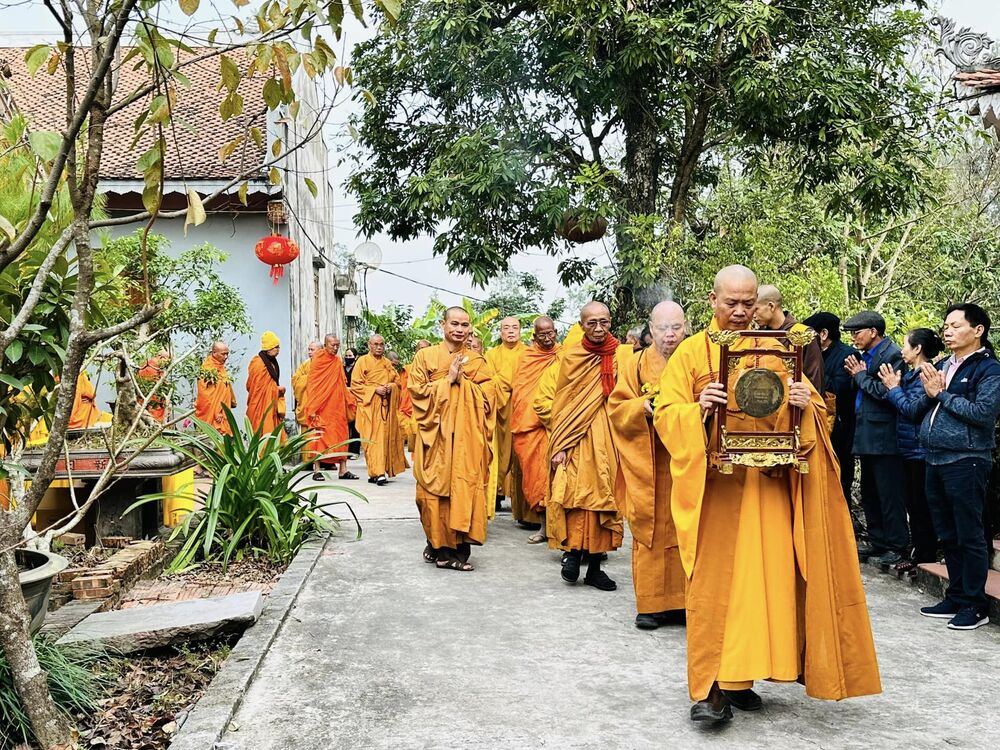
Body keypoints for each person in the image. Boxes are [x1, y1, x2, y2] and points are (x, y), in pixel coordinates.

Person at [654, 265, 880, 723]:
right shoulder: (693, 353)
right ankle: (711, 687)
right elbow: (665, 413)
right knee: (715, 591)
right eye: (731, 302)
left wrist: (805, 404)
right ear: (713, 300)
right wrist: (697, 409)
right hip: (717, 492)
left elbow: (812, 414)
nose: (740, 311)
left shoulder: (777, 351)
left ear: (758, 302)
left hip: (770, 488)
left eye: (748, 302)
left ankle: (742, 678)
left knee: (765, 587)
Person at [881, 304, 1000, 630]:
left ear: (978, 331)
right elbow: (919, 408)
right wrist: (905, 391)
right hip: (934, 457)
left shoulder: (988, 370)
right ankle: (957, 595)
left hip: (966, 459)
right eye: (945, 325)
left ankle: (976, 604)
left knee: (969, 534)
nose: (947, 331)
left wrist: (943, 395)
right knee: (947, 533)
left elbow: (983, 413)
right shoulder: (943, 364)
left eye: (955, 325)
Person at [609, 301, 687, 629]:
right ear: (650, 330)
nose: (670, 335)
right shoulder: (635, 363)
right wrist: (644, 406)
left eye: (676, 328)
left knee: (685, 528)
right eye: (663, 329)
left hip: (686, 459)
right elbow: (616, 407)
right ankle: (651, 604)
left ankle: (683, 601)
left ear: (686, 327)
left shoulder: (696, 358)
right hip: (649, 459)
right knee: (650, 528)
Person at [544, 302, 625, 591]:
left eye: (604, 322)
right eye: (592, 323)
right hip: (576, 438)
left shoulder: (622, 355)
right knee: (576, 495)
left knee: (605, 497)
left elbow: (627, 396)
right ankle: (573, 554)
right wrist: (560, 444)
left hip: (611, 437)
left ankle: (594, 568)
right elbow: (564, 403)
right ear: (581, 324)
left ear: (611, 321)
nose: (599, 328)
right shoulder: (571, 356)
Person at [408, 306, 496, 571]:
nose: (460, 330)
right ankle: (436, 543)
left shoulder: (477, 360)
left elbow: (490, 396)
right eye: (455, 324)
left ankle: (455, 551)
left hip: (467, 440)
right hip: (435, 436)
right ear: (443, 325)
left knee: (463, 488)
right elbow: (416, 392)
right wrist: (447, 381)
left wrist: (464, 384)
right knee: (431, 493)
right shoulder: (425, 357)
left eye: (465, 325)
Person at [842, 311, 909, 566]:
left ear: (873, 332)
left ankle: (897, 545)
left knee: (889, 493)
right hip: (865, 433)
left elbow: (885, 393)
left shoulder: (891, 355)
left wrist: (860, 376)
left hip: (884, 435)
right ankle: (878, 541)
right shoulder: (863, 357)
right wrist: (856, 376)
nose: (854, 337)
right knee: (870, 491)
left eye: (857, 332)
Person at [877, 328, 944, 572]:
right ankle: (919, 552)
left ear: (917, 349)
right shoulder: (909, 375)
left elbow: (913, 410)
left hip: (919, 451)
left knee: (921, 506)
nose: (902, 349)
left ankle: (924, 555)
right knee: (913, 505)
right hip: (907, 449)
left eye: (906, 344)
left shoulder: (926, 375)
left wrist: (893, 388)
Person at [509, 316, 562, 544]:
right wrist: (533, 417)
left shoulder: (565, 355)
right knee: (536, 478)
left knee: (559, 478)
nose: (548, 338)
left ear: (556, 332)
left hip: (557, 424)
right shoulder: (527, 358)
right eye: (542, 335)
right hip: (531, 428)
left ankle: (560, 528)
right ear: (534, 337)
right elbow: (520, 393)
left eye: (550, 333)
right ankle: (543, 527)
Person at [803, 312, 858, 501]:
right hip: (814, 423)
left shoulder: (847, 355)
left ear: (823, 334)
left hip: (839, 427)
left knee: (840, 478)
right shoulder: (812, 354)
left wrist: (813, 373)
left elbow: (839, 388)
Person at [488, 316, 534, 523]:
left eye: (515, 327)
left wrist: (507, 383)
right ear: (500, 332)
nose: (511, 331)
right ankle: (496, 493)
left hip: (523, 410)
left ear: (520, 330)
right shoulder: (491, 355)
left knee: (523, 456)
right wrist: (505, 383)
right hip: (499, 413)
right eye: (506, 328)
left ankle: (525, 509)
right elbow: (488, 382)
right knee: (499, 453)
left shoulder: (529, 353)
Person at [351, 335, 408, 485]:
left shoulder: (387, 363)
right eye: (375, 344)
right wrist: (374, 389)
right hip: (368, 408)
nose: (379, 347)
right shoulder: (362, 362)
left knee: (381, 440)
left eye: (381, 344)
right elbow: (355, 385)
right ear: (369, 345)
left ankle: (380, 473)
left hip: (384, 409)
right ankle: (374, 472)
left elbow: (398, 384)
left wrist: (391, 388)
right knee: (370, 441)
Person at [304, 334, 359, 480]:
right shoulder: (318, 360)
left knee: (341, 436)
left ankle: (343, 469)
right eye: (332, 345)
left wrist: (348, 398)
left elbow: (342, 382)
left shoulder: (337, 361)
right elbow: (313, 384)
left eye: (337, 345)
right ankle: (317, 470)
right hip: (321, 406)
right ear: (325, 344)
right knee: (319, 436)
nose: (335, 348)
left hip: (337, 406)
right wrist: (313, 407)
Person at [753, 285, 824, 392]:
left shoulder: (803, 335)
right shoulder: (758, 336)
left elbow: (815, 382)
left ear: (771, 306)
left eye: (756, 309)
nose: (753, 316)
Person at [246, 331, 287, 440]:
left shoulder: (272, 362)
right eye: (276, 347)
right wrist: (277, 389)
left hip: (270, 403)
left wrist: (275, 390)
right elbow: (253, 387)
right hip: (260, 404)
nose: (278, 350)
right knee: (262, 434)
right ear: (269, 348)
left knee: (272, 434)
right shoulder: (258, 363)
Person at [195, 341, 237, 434]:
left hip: (223, 411)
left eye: (227, 354)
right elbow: (206, 395)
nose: (226, 357)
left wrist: (230, 401)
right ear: (214, 353)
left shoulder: (220, 367)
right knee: (215, 438)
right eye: (223, 354)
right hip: (215, 415)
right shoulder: (208, 369)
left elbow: (225, 387)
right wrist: (217, 411)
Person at [399, 341, 431, 454]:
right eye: (420, 349)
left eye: (426, 349)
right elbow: (402, 391)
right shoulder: (408, 369)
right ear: (416, 351)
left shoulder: (436, 369)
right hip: (411, 410)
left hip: (430, 411)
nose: (422, 352)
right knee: (417, 446)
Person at [292, 341, 320, 433]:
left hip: (321, 409)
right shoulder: (305, 364)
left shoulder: (326, 365)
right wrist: (309, 378)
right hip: (306, 407)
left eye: (312, 350)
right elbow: (296, 381)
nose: (309, 352)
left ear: (320, 351)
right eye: (309, 349)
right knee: (306, 441)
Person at [136, 349, 170, 422]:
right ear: (161, 357)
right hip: (150, 402)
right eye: (167, 361)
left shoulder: (154, 366)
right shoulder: (149, 368)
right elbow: (155, 387)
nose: (166, 364)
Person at [343, 347, 361, 458]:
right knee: (345, 427)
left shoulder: (357, 369)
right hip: (343, 400)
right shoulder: (341, 368)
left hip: (355, 400)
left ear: (356, 357)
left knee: (355, 426)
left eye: (350, 356)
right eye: (347, 356)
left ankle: (355, 451)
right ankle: (345, 450)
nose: (348, 358)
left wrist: (351, 389)